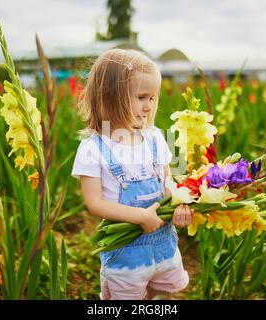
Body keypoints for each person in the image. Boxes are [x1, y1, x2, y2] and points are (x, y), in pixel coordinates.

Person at [71, 48, 193, 300]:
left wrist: (180, 203)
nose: (149, 107)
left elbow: (167, 181)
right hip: (126, 253)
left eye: (153, 98)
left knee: (161, 295)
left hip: (164, 245)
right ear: (109, 97)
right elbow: (93, 203)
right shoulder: (93, 148)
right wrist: (140, 216)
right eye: (141, 97)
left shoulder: (155, 138)